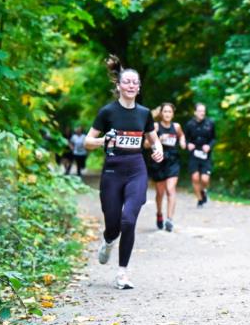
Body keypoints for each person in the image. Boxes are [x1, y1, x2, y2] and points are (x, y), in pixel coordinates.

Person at [84, 55, 164, 289]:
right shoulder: (107, 112)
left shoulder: (144, 113)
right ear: (118, 86)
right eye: (126, 82)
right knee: (113, 224)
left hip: (136, 169)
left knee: (129, 219)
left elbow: (153, 139)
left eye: (134, 83)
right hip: (112, 171)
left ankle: (122, 273)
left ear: (138, 88)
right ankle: (108, 241)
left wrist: (158, 150)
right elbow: (88, 141)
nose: (130, 86)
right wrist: (104, 140)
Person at [150, 103, 185, 231]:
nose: (167, 114)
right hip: (159, 161)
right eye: (165, 111)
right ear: (161, 113)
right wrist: (159, 138)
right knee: (160, 193)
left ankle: (169, 220)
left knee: (171, 189)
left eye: (170, 112)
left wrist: (182, 142)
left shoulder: (176, 127)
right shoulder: (155, 126)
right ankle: (159, 213)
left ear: (173, 114)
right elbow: (146, 144)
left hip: (173, 161)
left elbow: (181, 136)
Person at [184, 103, 216, 207]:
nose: (202, 113)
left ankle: (203, 191)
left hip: (205, 154)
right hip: (194, 154)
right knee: (195, 178)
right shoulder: (189, 124)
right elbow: (185, 139)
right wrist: (188, 144)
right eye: (200, 111)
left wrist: (209, 146)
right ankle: (200, 199)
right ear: (195, 112)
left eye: (203, 111)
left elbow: (214, 138)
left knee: (205, 179)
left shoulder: (210, 123)